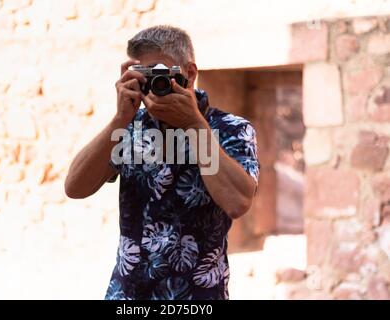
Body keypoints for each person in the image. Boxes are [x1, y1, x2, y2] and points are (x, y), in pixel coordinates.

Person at [64, 25, 259, 300]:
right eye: (145, 76)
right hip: (129, 294)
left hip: (197, 296)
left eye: (161, 74)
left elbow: (238, 202)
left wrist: (193, 124)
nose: (154, 85)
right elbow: (75, 187)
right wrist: (120, 119)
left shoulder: (230, 129)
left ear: (189, 74)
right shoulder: (129, 129)